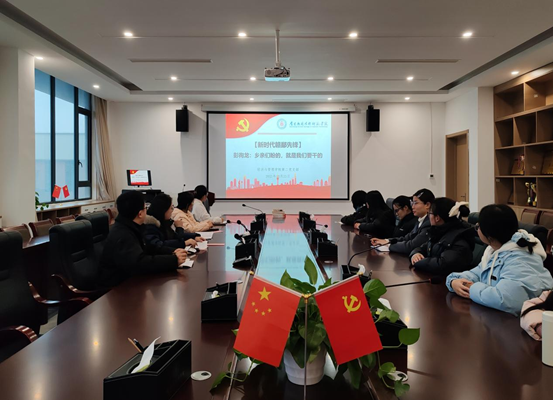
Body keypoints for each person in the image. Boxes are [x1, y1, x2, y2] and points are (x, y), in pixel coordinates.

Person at [446, 204, 553, 316]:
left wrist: (471, 287)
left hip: (519, 322)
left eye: (478, 226)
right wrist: (453, 281)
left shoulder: (520, 259)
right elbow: (477, 273)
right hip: (499, 318)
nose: (477, 229)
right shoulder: (494, 251)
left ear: (489, 235)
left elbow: (506, 300)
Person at [99, 191, 188, 288]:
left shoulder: (131, 227)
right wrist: (173, 260)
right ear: (140, 214)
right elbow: (139, 263)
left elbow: (150, 247)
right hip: (118, 289)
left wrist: (172, 251)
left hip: (131, 281)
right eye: (145, 208)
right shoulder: (122, 235)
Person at [410, 198, 474, 275]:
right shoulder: (439, 232)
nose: (428, 216)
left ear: (437, 218)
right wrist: (415, 254)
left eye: (429, 213)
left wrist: (418, 262)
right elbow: (422, 247)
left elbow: (442, 264)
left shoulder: (458, 238)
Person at [371, 188, 435, 254]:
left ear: (427, 205)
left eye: (416, 203)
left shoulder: (429, 223)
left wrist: (389, 246)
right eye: (412, 203)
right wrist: (387, 241)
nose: (412, 207)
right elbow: (406, 238)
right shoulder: (420, 220)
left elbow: (412, 246)